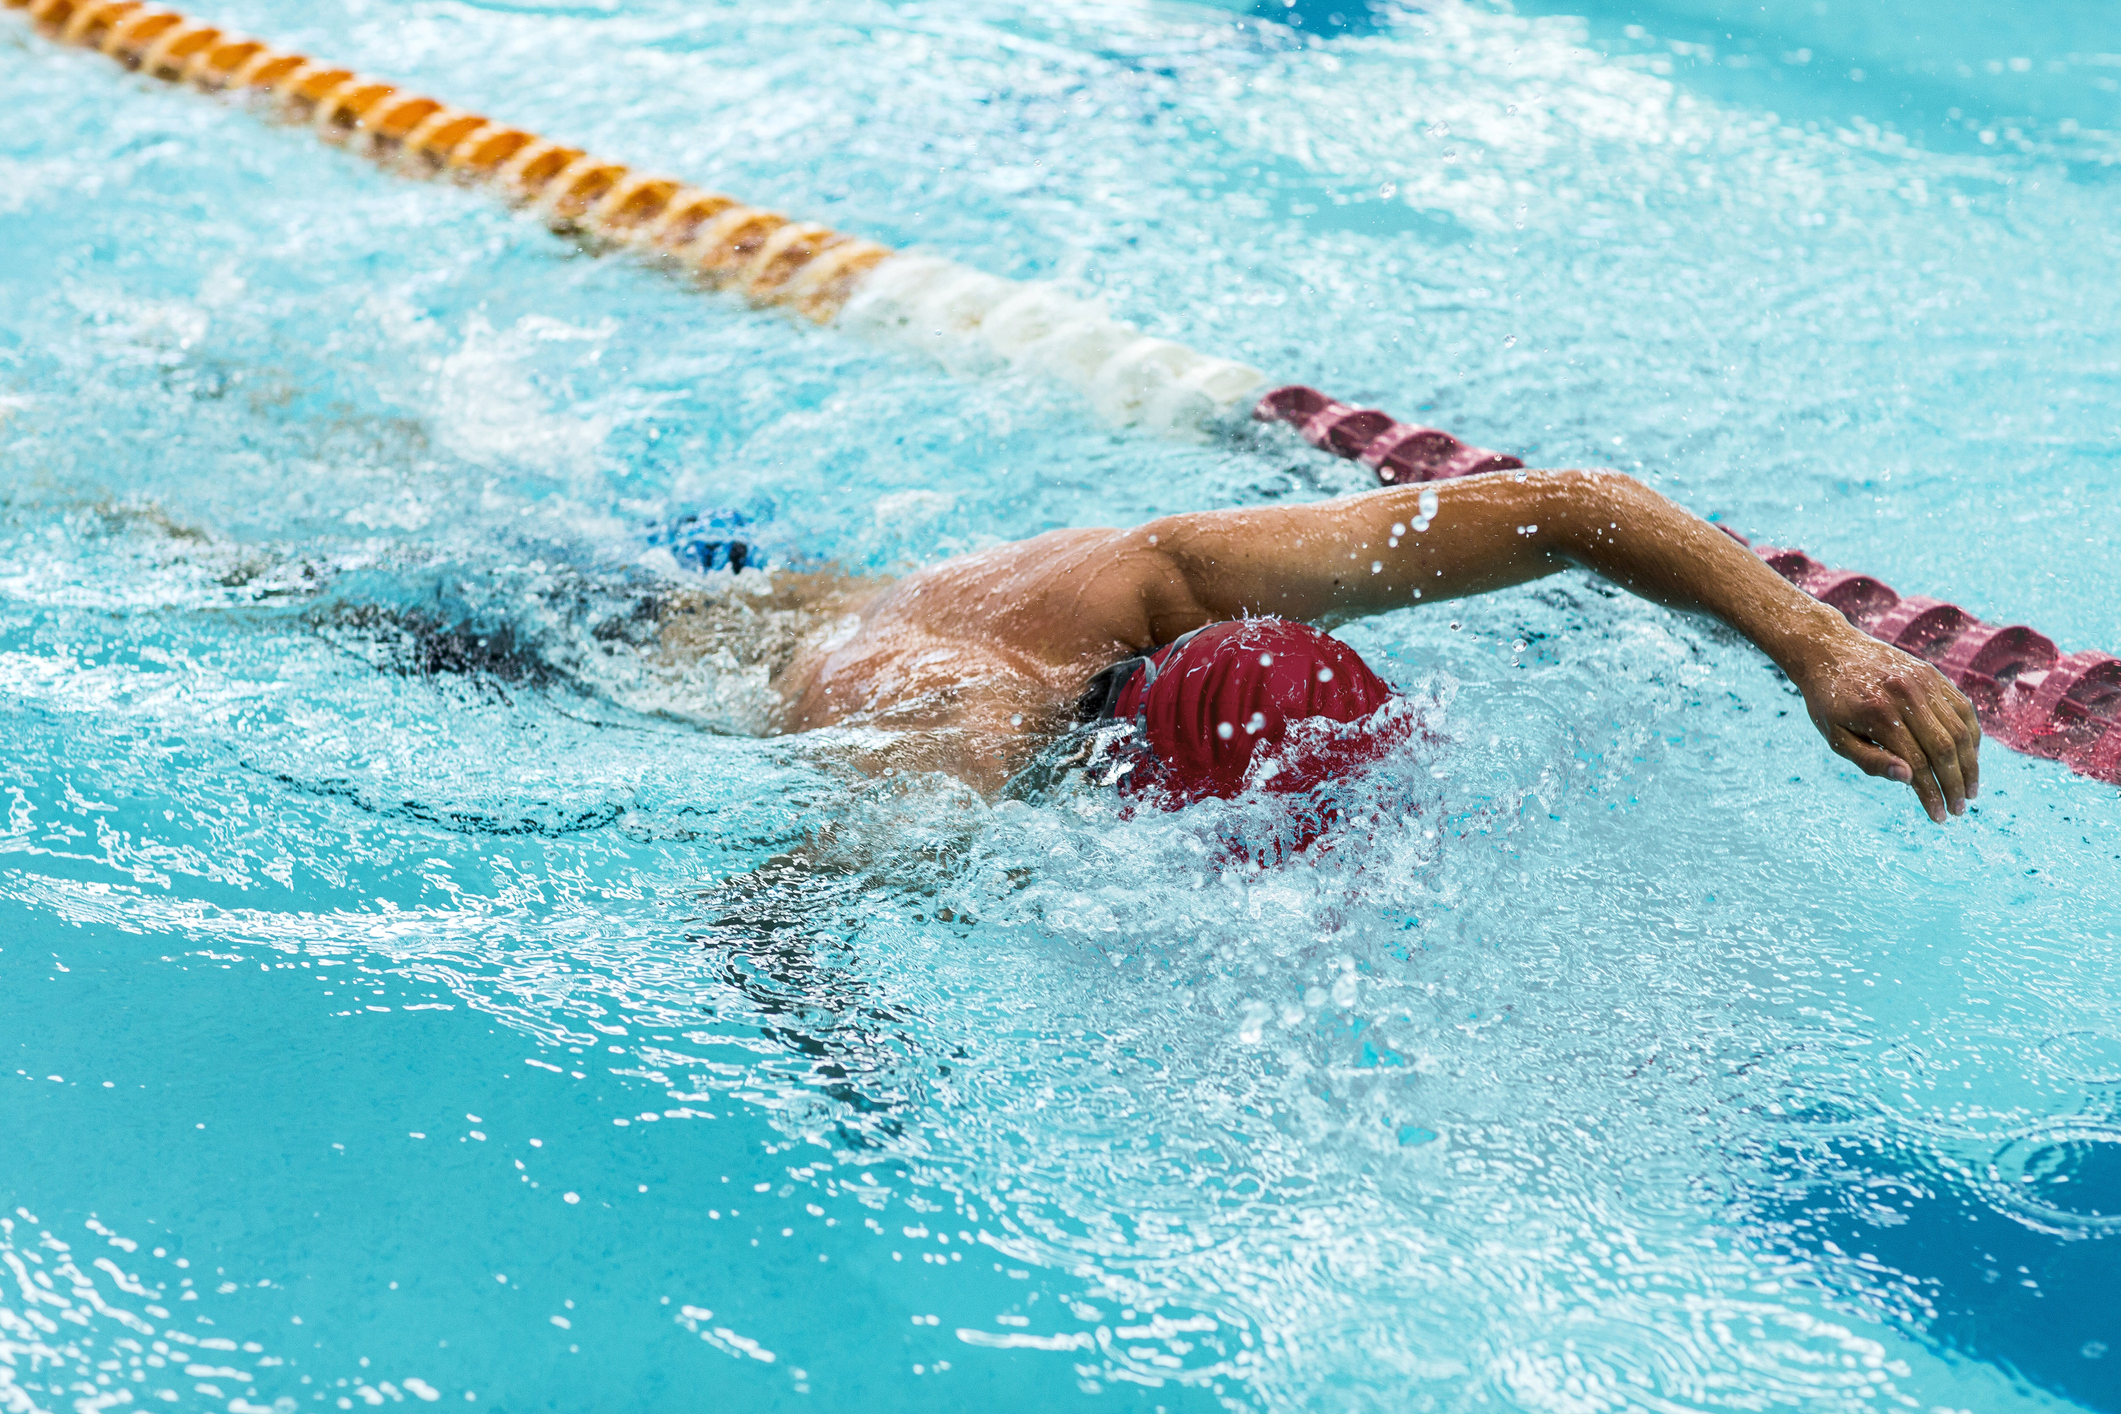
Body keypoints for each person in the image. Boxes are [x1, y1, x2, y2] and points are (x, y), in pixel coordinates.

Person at [683, 468, 1981, 823]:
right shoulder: (959, 727)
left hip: (857, 583)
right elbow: (772, 920)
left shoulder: (1175, 576)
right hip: (702, 650)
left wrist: (1818, 644)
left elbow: (1568, 508)